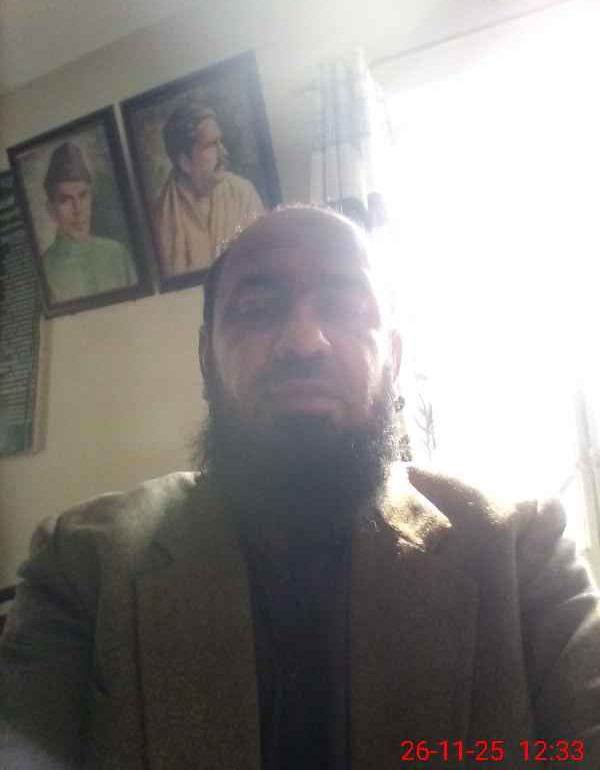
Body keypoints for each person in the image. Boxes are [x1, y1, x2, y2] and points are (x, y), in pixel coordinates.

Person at [1, 206, 599, 770]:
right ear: (207, 359)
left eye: (345, 307)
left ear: (393, 360)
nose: (305, 340)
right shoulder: (81, 565)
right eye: (258, 309)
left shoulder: (524, 551)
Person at [154, 102, 264, 277]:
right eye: (211, 145)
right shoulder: (162, 218)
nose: (224, 152)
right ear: (185, 162)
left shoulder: (244, 194)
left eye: (220, 142)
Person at [42, 142, 137, 302]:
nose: (77, 209)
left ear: (91, 198)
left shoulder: (118, 254)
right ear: (51, 209)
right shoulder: (44, 270)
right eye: (65, 200)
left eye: (83, 195)